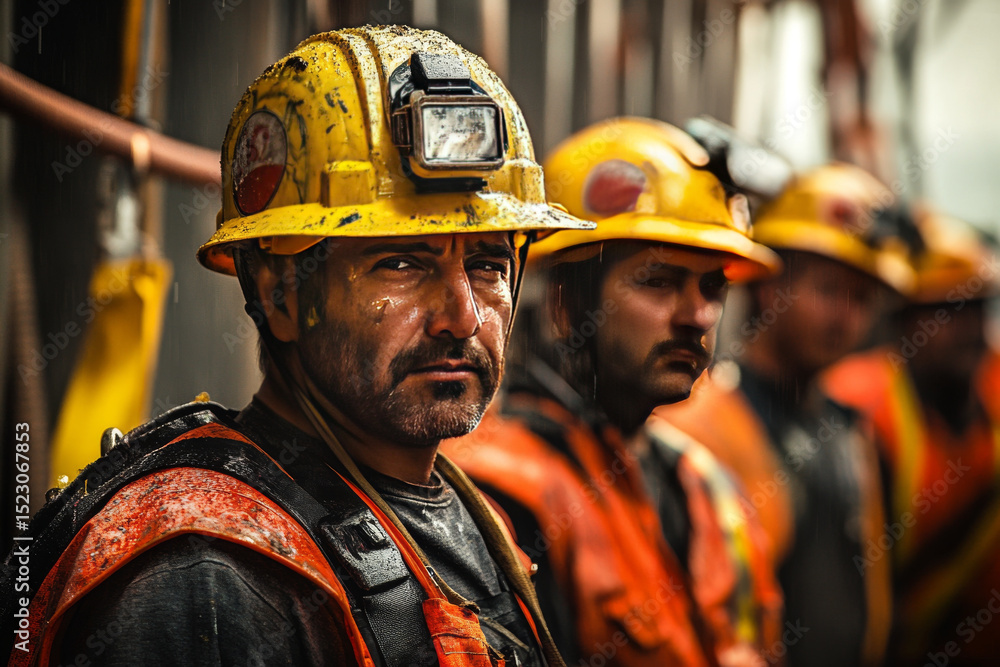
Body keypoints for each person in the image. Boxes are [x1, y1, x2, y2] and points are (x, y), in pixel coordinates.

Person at [1, 26, 593, 666]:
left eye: (487, 265)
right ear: (279, 292)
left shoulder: (475, 519)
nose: (462, 316)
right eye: (401, 264)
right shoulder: (203, 573)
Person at [444, 117, 785, 666]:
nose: (698, 315)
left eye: (712, 286)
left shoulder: (706, 485)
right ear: (565, 301)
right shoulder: (500, 494)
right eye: (659, 281)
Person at [657, 162, 916, 667]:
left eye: (862, 299)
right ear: (770, 286)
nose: (846, 317)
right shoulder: (695, 423)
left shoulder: (850, 429)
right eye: (829, 290)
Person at [823, 210, 1000, 666]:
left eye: (977, 307)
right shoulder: (862, 406)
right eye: (947, 311)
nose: (968, 327)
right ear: (905, 322)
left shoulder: (994, 384)